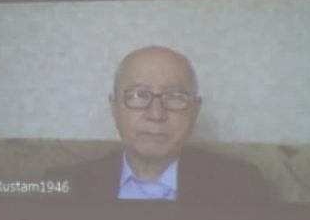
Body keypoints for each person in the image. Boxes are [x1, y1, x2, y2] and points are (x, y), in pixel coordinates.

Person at [48, 46, 270, 202]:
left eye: (174, 97)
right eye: (138, 95)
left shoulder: (241, 185)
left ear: (195, 111)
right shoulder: (64, 184)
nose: (156, 114)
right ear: (114, 108)